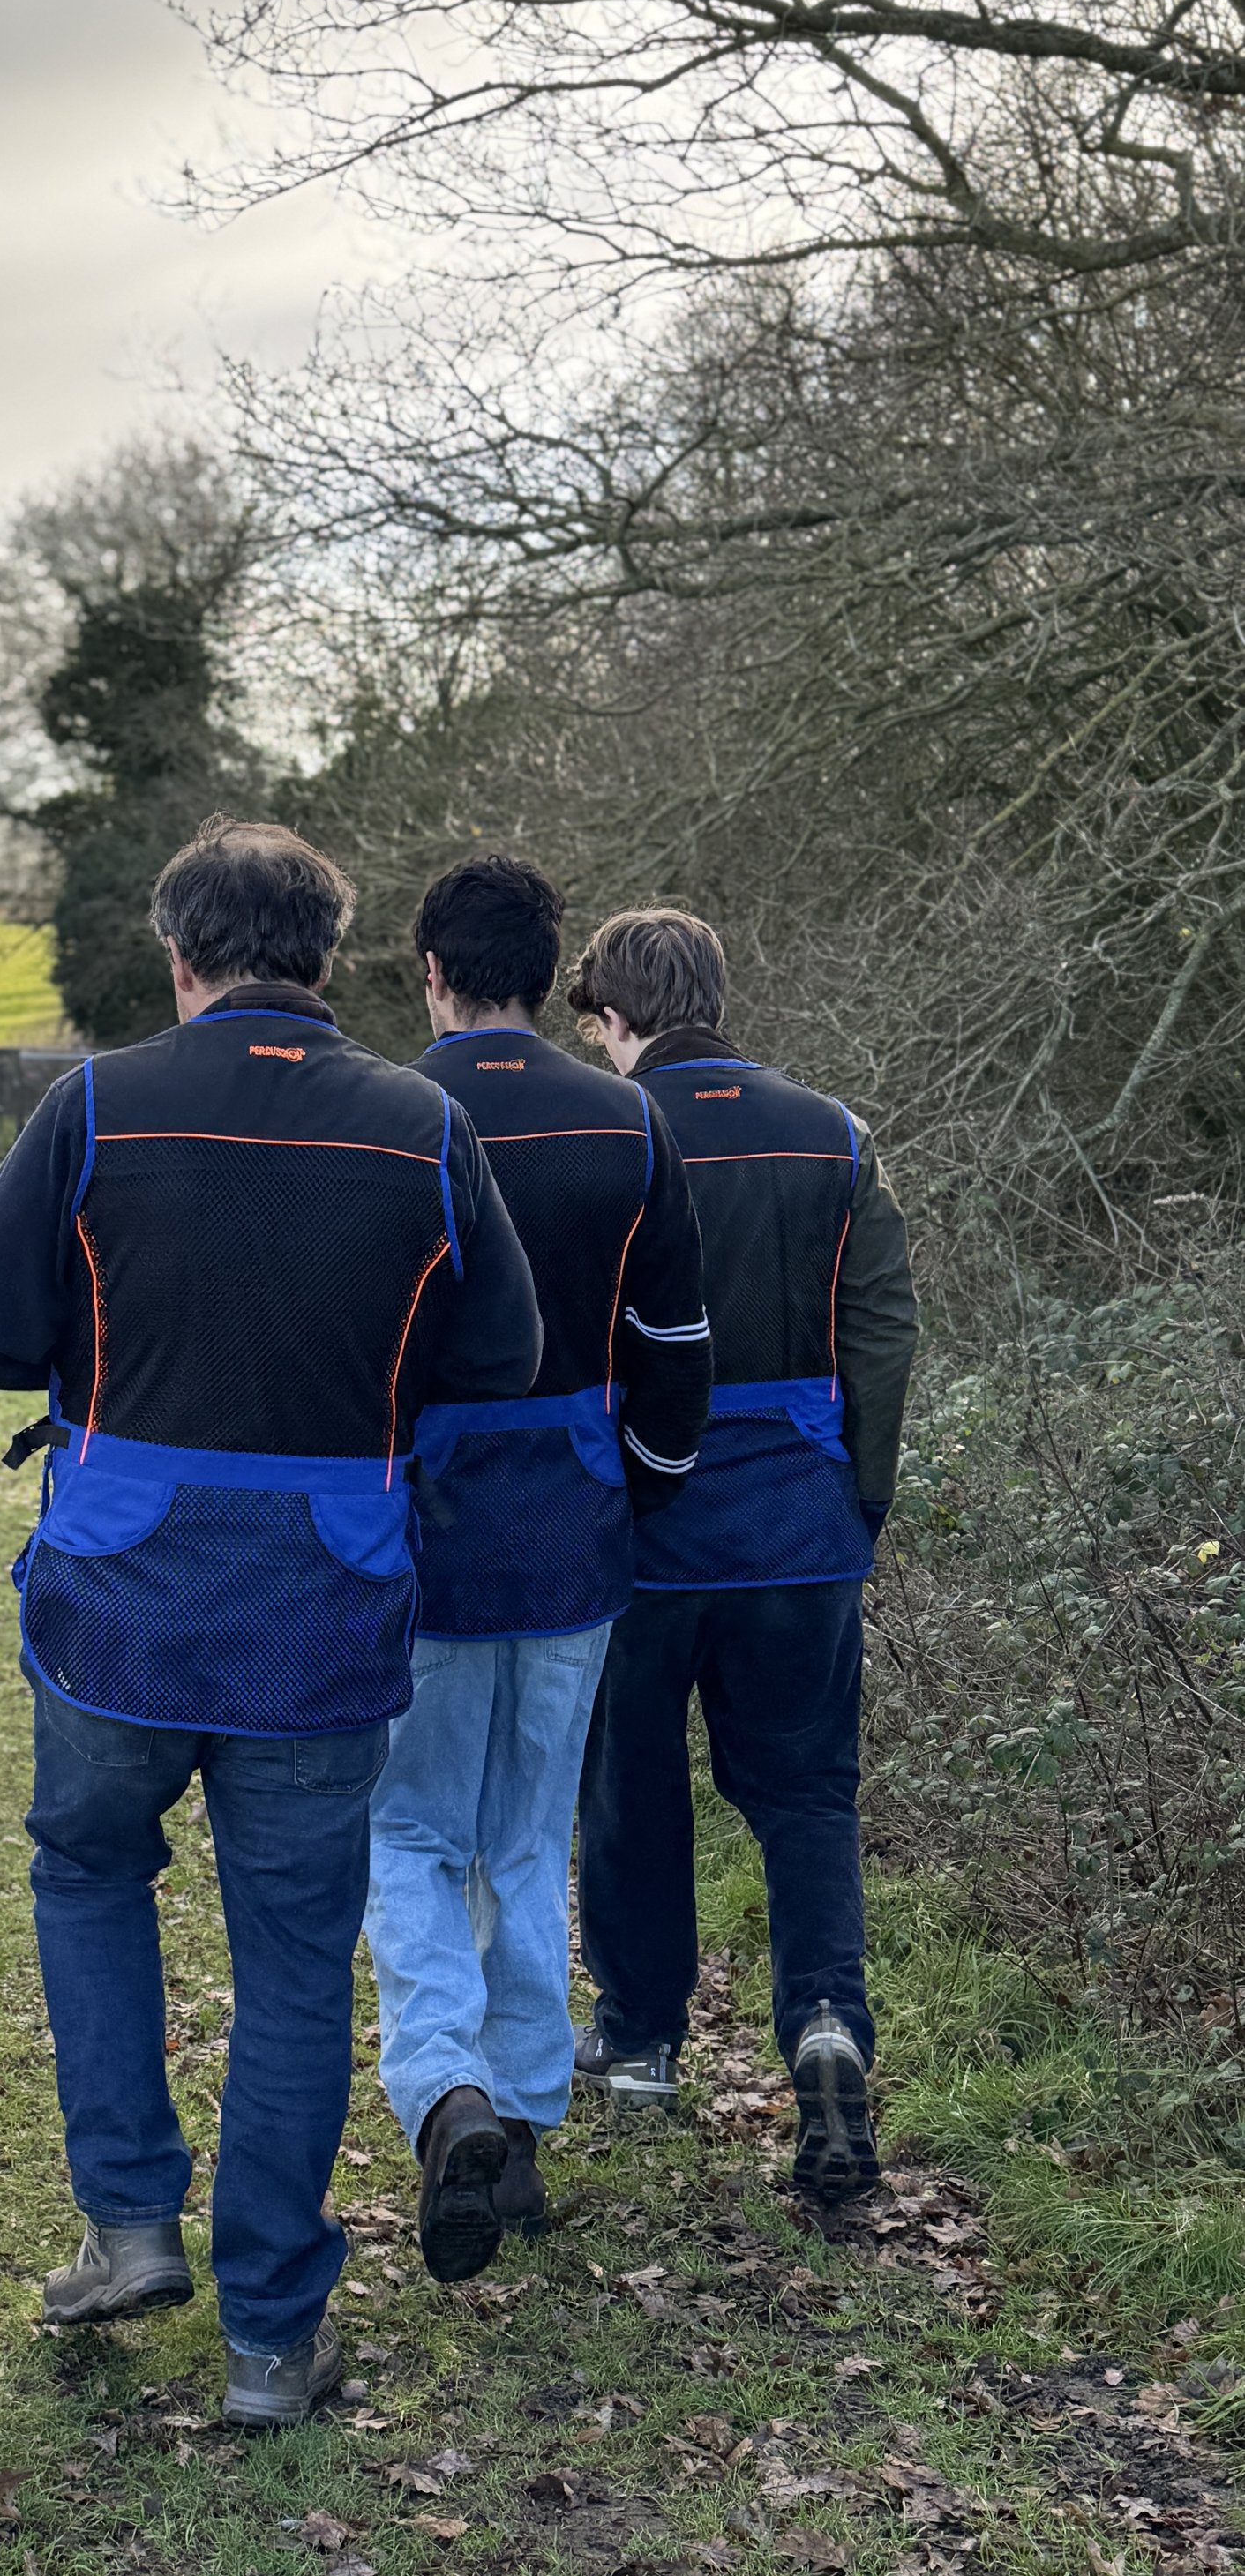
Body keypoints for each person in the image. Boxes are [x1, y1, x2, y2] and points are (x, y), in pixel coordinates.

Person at [0, 819, 541, 2426]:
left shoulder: (93, 1105)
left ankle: (129, 2219)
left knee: (88, 1870)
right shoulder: (425, 1124)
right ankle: (275, 2336)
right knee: (289, 1963)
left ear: (180, 956)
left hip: (118, 1596)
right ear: (327, 960)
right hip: (325, 1599)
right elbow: (503, 1348)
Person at [366, 857, 711, 2283]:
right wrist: (633, 1492)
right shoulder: (626, 1120)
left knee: (408, 1831)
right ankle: (520, 2112)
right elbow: (676, 1354)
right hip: (575, 1528)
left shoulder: (389, 1125)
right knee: (523, 1837)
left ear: (432, 974)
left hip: (427, 1535)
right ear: (547, 963)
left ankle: (443, 2089)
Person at [566, 911, 919, 2199]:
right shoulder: (834, 1132)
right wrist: (858, 1500)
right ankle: (825, 2022)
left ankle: (644, 2038)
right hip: (800, 1528)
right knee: (809, 1793)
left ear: (615, 1015)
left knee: (631, 1779)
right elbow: (882, 1330)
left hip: (642, 1529)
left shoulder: (609, 1134)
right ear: (718, 994)